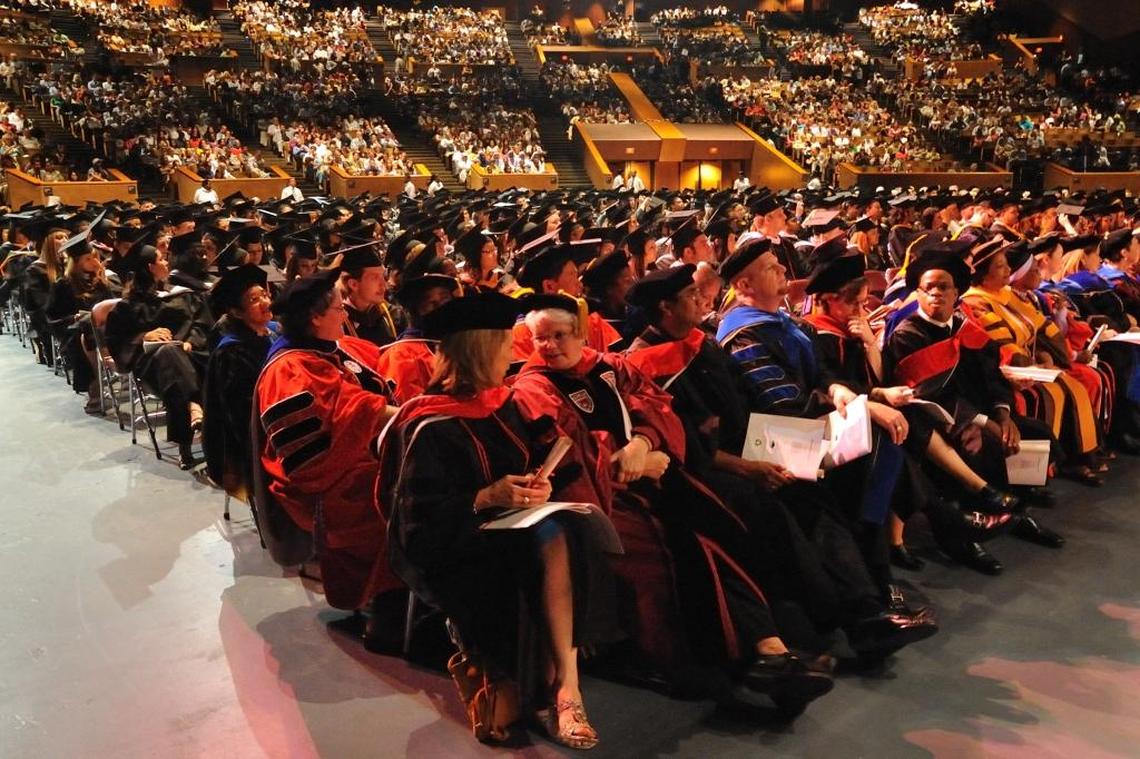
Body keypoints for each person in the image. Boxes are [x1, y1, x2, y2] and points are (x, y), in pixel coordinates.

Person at [511, 294, 836, 714]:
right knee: (678, 555)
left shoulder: (608, 367)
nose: (551, 346)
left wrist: (644, 442)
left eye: (560, 335)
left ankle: (773, 649)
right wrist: (634, 460)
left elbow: (659, 407)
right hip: (600, 502)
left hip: (657, 484)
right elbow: (564, 455)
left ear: (579, 332)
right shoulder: (532, 388)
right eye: (541, 339)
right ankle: (748, 658)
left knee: (727, 533)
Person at [625, 265, 938, 663]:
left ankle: (873, 603)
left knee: (855, 472)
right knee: (792, 504)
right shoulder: (643, 364)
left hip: (756, 443)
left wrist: (813, 415)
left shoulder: (699, 340)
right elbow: (683, 440)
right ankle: (849, 617)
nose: (702, 299)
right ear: (665, 308)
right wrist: (750, 466)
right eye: (690, 296)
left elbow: (745, 404)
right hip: (708, 468)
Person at [377, 291, 620, 750]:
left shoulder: (503, 402)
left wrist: (535, 485)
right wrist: (485, 496)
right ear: (483, 349)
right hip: (457, 544)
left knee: (565, 527)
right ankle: (564, 693)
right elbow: (416, 524)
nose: (515, 353)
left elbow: (536, 457)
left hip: (518, 528)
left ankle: (566, 688)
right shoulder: (427, 421)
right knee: (552, 538)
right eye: (507, 344)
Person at [254, 269, 400, 616]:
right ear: (316, 317)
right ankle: (390, 604)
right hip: (321, 484)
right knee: (406, 498)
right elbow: (311, 456)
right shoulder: (289, 369)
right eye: (338, 309)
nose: (345, 315)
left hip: (353, 461)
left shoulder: (326, 349)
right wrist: (406, 414)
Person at [104, 246, 212, 468]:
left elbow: (202, 324)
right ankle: (194, 406)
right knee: (168, 353)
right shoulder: (127, 306)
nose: (167, 262)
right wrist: (146, 336)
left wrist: (191, 341)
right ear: (150, 267)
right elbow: (118, 342)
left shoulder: (182, 294)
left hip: (193, 356)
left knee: (176, 359)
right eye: (161, 259)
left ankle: (190, 425)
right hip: (153, 366)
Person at [203, 265, 278, 499]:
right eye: (254, 300)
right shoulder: (231, 352)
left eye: (265, 295)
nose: (265, 302)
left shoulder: (276, 332)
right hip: (246, 439)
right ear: (237, 312)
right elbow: (240, 417)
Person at [45, 231, 118, 411]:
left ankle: (105, 377)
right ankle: (96, 386)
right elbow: (52, 318)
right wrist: (74, 317)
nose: (95, 262)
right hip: (76, 335)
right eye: (89, 259)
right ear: (76, 262)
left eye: (96, 258)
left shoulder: (102, 282)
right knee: (86, 332)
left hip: (106, 331)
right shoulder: (63, 285)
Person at [376, 273, 457, 404]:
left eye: (445, 299)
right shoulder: (402, 354)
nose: (441, 307)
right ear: (416, 311)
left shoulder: (459, 342)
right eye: (431, 302)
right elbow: (411, 409)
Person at [339, 246, 399, 347]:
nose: (384, 284)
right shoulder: (338, 325)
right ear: (353, 284)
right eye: (375, 278)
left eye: (383, 276)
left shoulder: (394, 317)